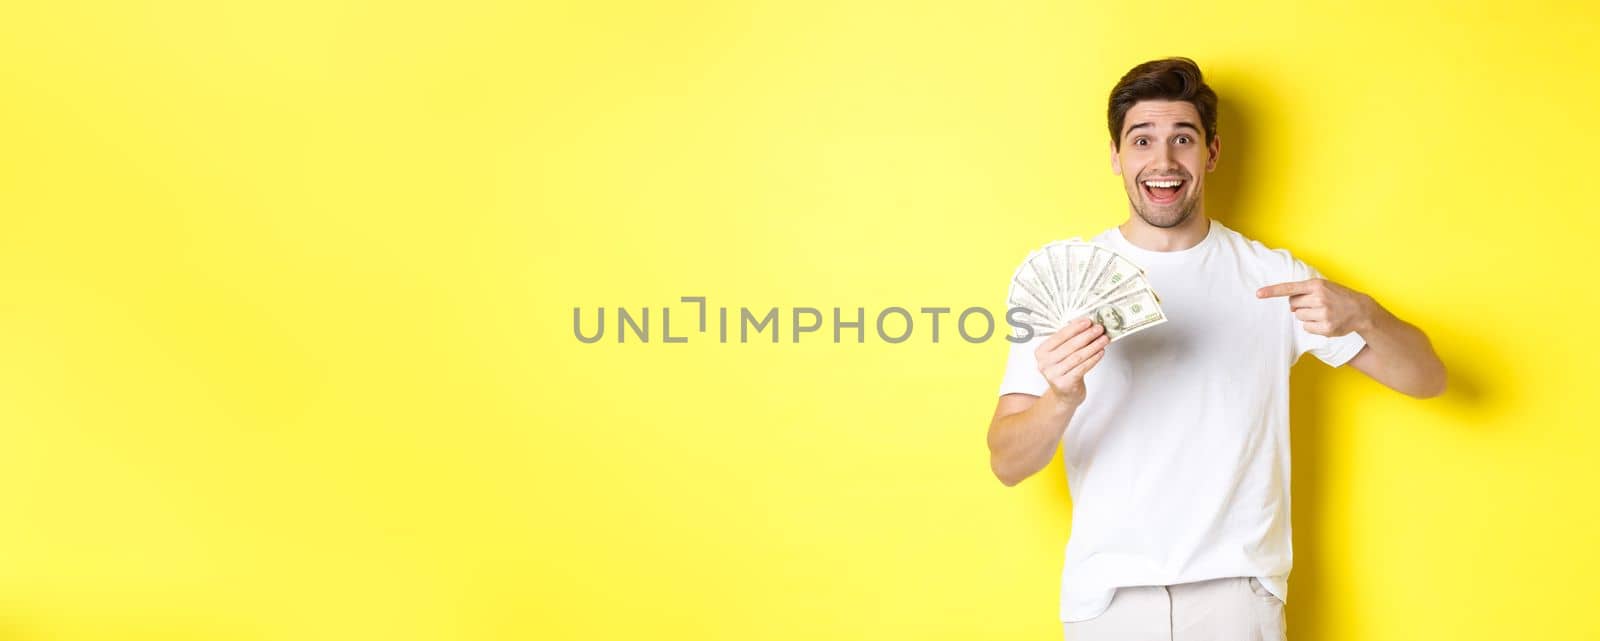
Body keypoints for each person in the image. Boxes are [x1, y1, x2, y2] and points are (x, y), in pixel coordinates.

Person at [986, 58, 1447, 641]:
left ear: (1212, 152)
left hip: (1238, 595)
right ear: (1115, 157)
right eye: (1142, 140)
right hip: (1108, 599)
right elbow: (1007, 463)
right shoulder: (1062, 279)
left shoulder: (1272, 277)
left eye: (1183, 139)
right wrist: (1060, 397)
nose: (1163, 161)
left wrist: (1365, 313)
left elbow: (1428, 377)